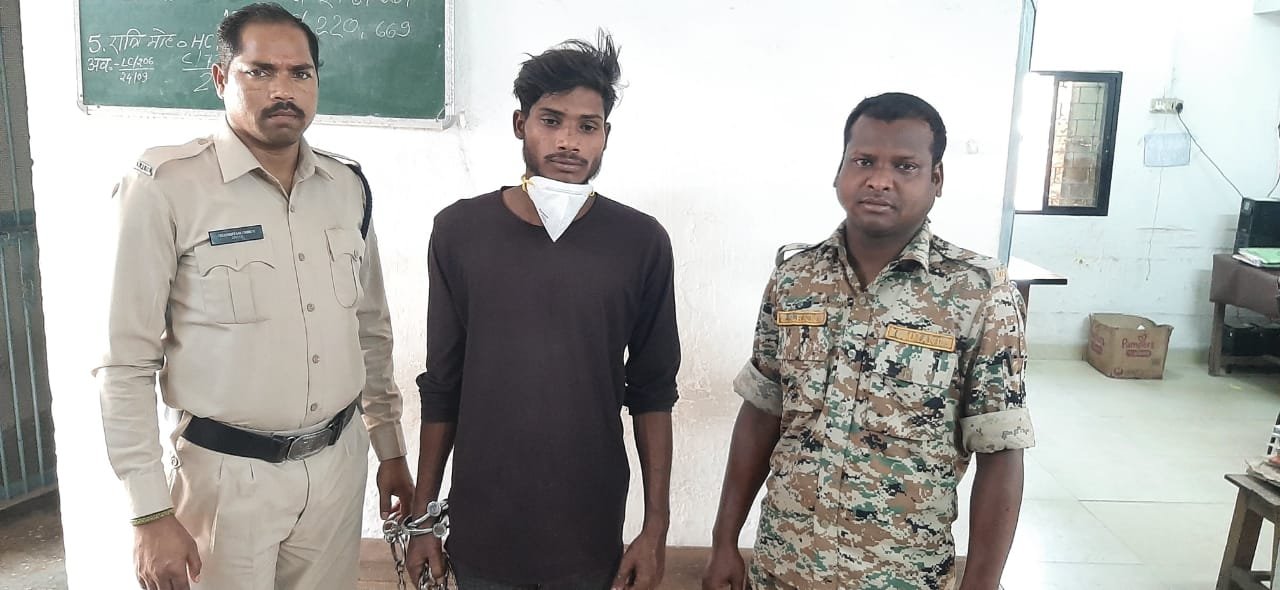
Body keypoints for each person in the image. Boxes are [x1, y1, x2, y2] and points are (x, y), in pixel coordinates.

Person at [96, 4, 413, 589]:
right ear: (221, 78)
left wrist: (389, 447)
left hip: (338, 466)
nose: (283, 90)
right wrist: (149, 511)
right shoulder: (165, 187)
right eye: (260, 71)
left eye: (300, 73)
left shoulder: (346, 187)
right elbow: (124, 362)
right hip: (225, 480)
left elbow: (370, 329)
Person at [701, 92, 1034, 590]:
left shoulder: (979, 293)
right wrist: (724, 540)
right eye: (863, 161)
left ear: (936, 179)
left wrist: (981, 585)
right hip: (782, 567)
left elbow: (1001, 451)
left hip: (903, 576)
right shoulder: (795, 279)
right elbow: (762, 411)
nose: (879, 179)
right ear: (839, 171)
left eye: (905, 166)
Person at [405, 32, 680, 590]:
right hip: (483, 524)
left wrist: (655, 529)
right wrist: (423, 519)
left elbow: (653, 392)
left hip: (589, 528)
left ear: (605, 136)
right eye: (551, 121)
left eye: (587, 126)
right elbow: (442, 385)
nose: (568, 142)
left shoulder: (639, 242)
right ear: (520, 124)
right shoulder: (460, 231)